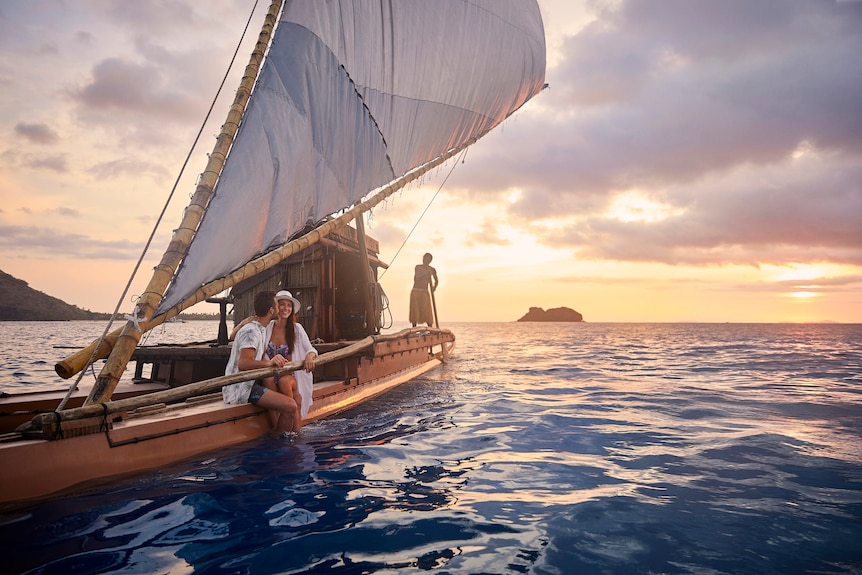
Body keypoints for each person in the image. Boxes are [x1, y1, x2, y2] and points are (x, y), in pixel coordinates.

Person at [222, 290, 299, 435]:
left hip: (251, 384)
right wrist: (269, 363)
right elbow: (243, 364)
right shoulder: (251, 331)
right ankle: (280, 444)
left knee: (290, 402)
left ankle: (280, 431)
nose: (280, 308)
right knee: (290, 406)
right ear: (271, 310)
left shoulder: (261, 328)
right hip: (241, 388)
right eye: (277, 305)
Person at [264, 290, 318, 427]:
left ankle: (293, 424)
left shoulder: (297, 329)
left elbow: (311, 350)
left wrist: (309, 357)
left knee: (285, 383)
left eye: (289, 305)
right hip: (270, 374)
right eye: (282, 304)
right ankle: (276, 425)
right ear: (276, 307)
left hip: (290, 375)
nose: (286, 308)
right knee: (268, 379)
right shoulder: (268, 328)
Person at [409, 252, 438, 327]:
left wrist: (434, 287)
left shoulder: (432, 269)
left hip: (425, 292)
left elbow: (436, 280)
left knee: (427, 311)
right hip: (416, 291)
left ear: (430, 261)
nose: (425, 260)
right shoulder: (418, 267)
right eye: (424, 258)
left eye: (427, 259)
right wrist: (425, 274)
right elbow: (416, 278)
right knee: (415, 311)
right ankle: (414, 327)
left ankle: (430, 327)